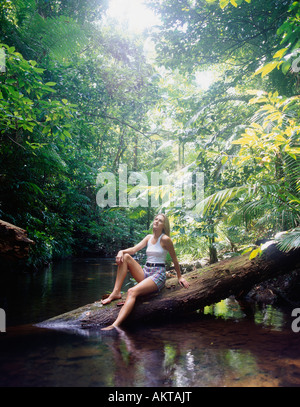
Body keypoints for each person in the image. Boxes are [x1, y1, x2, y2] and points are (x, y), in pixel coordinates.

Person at [101, 213, 189, 331]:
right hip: (146, 271)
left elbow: (174, 259)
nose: (157, 221)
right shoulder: (148, 237)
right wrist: (121, 251)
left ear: (164, 225)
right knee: (126, 257)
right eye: (156, 219)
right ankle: (116, 292)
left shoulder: (165, 239)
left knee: (132, 291)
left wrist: (180, 277)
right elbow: (133, 250)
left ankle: (115, 325)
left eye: (160, 220)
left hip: (158, 275)